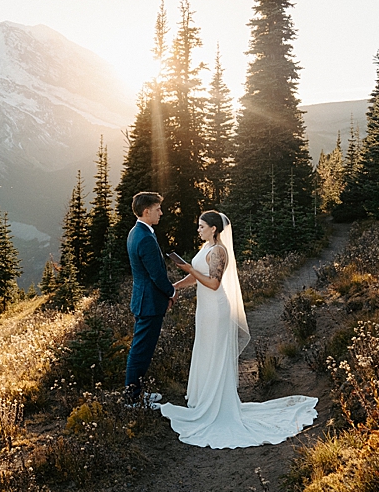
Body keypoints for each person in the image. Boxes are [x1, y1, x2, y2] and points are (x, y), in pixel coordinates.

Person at [159, 210, 317, 448]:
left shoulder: (219, 251)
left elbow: (213, 283)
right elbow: (196, 278)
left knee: (216, 352)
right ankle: (204, 400)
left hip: (217, 308)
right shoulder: (204, 249)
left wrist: (188, 270)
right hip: (204, 309)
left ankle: (218, 404)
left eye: (202, 226)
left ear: (214, 228)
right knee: (205, 349)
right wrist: (174, 287)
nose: (198, 230)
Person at [123, 192, 176, 407]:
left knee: (142, 349)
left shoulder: (136, 232)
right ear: (146, 212)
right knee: (141, 350)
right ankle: (132, 399)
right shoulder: (145, 237)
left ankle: (137, 393)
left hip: (144, 299)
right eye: (157, 209)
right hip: (149, 303)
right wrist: (171, 292)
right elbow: (156, 274)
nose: (161, 213)